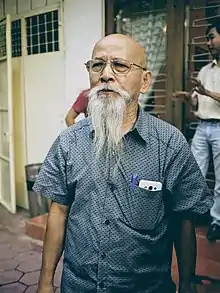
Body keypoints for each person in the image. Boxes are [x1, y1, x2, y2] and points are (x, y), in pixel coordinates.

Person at [34, 34, 213, 293]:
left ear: (145, 81)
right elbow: (58, 211)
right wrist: (45, 282)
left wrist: (186, 283)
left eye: (119, 65)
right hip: (78, 287)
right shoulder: (68, 142)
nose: (106, 74)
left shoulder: (170, 144)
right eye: (97, 65)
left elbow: (182, 219)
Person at [174, 20, 220, 242]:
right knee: (194, 173)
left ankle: (216, 222)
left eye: (212, 36)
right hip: (203, 127)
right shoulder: (205, 70)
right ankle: (192, 215)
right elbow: (197, 105)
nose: (209, 42)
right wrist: (188, 99)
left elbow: (208, 95)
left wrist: (207, 92)